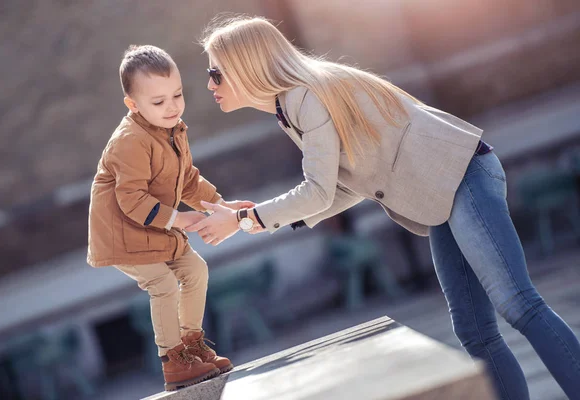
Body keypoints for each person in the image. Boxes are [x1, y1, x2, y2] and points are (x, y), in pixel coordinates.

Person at [185, 16, 580, 399]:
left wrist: (243, 219)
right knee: (475, 331)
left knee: (518, 304)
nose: (209, 84)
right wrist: (256, 219)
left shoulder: (304, 97)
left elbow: (319, 190)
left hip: (462, 175)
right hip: (436, 193)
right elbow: (344, 188)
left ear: (246, 66)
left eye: (216, 73)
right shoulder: (291, 107)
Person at [87, 45, 250, 391]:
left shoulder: (173, 130)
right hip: (123, 233)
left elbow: (187, 179)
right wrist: (181, 220)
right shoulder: (130, 141)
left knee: (195, 270)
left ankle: (191, 346)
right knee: (162, 284)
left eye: (177, 95)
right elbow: (130, 199)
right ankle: (173, 360)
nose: (172, 106)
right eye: (158, 102)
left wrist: (219, 206)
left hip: (155, 228)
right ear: (133, 105)